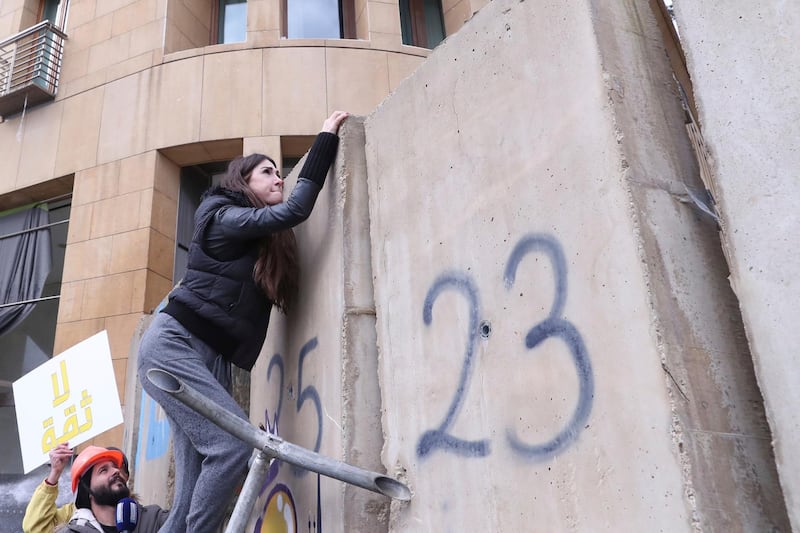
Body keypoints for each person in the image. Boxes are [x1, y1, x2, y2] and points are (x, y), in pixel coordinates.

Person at [136, 110, 349, 533]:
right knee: (233, 447)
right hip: (172, 346)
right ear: (243, 181)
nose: (278, 179)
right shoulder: (223, 216)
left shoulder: (255, 242)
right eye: (267, 172)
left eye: (280, 173)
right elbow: (295, 211)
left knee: (195, 480)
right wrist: (325, 139)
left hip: (205, 357)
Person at [22, 443, 132, 533]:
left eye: (117, 467)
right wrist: (55, 473)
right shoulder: (74, 516)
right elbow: (35, 527)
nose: (116, 472)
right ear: (88, 487)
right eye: (104, 470)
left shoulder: (141, 516)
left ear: (127, 476)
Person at [58, 445, 167, 532]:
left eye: (115, 466)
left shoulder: (155, 519)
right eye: (103, 470)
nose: (116, 471)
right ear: (87, 490)